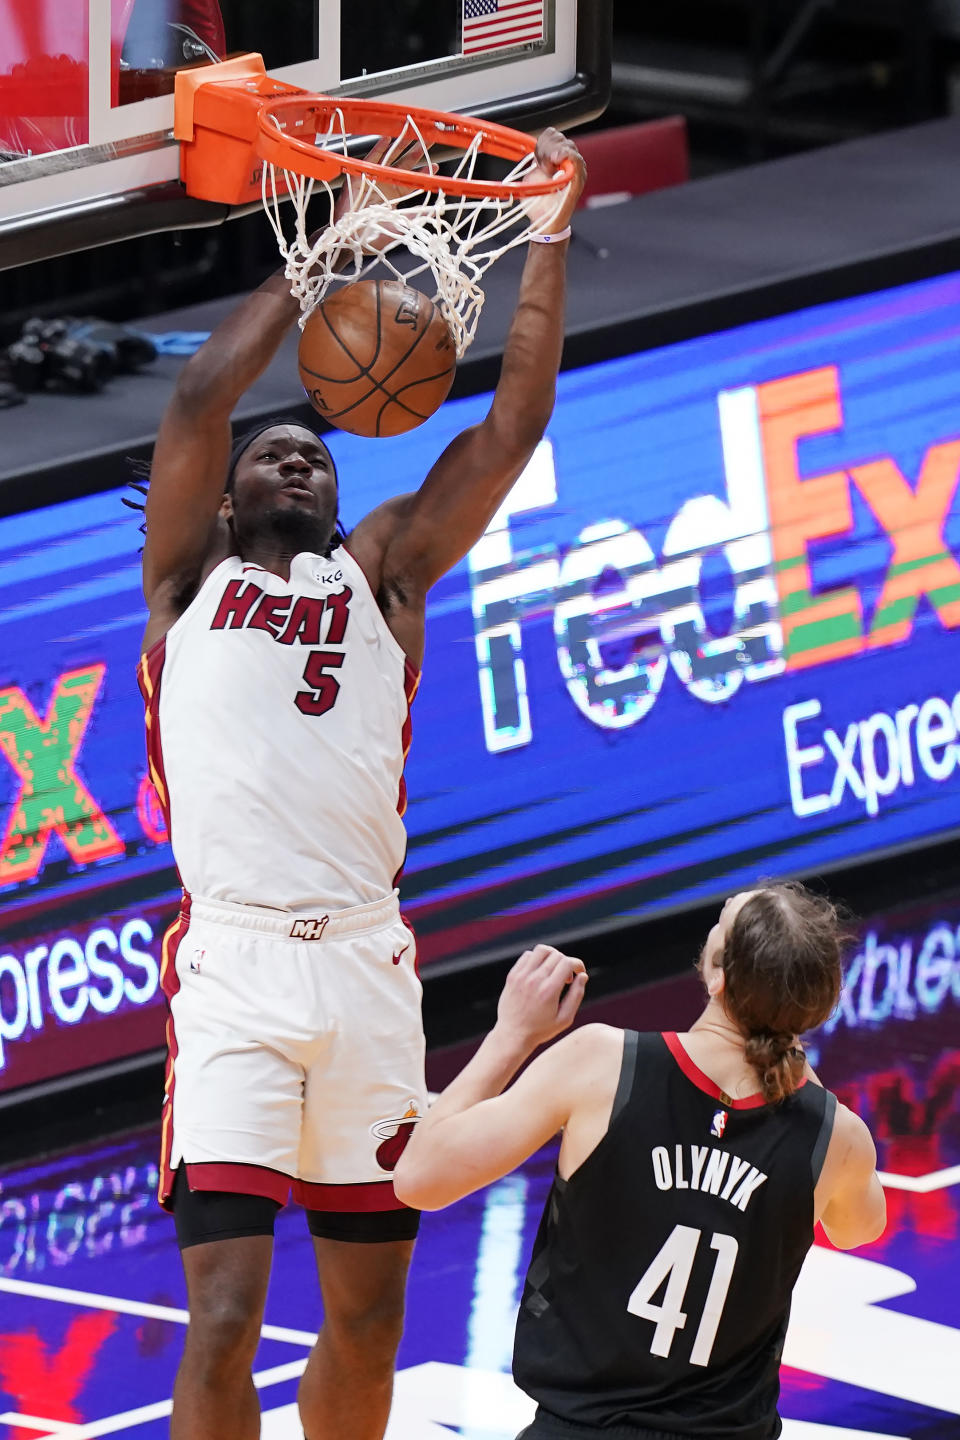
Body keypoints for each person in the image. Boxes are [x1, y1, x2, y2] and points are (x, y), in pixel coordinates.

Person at [137, 128, 586, 1440]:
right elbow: (193, 405)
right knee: (223, 1318)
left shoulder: (383, 573)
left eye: (316, 454)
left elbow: (515, 421)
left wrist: (550, 232)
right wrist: (320, 255)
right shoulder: (187, 584)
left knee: (371, 1316)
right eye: (274, 453)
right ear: (224, 501)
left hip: (367, 977)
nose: (299, 457)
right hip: (233, 979)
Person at [394, 883, 887, 1440]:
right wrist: (802, 1073)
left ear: (717, 973)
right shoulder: (836, 1136)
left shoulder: (604, 1063)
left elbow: (419, 1179)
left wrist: (512, 1034)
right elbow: (858, 1229)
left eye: (721, 922)